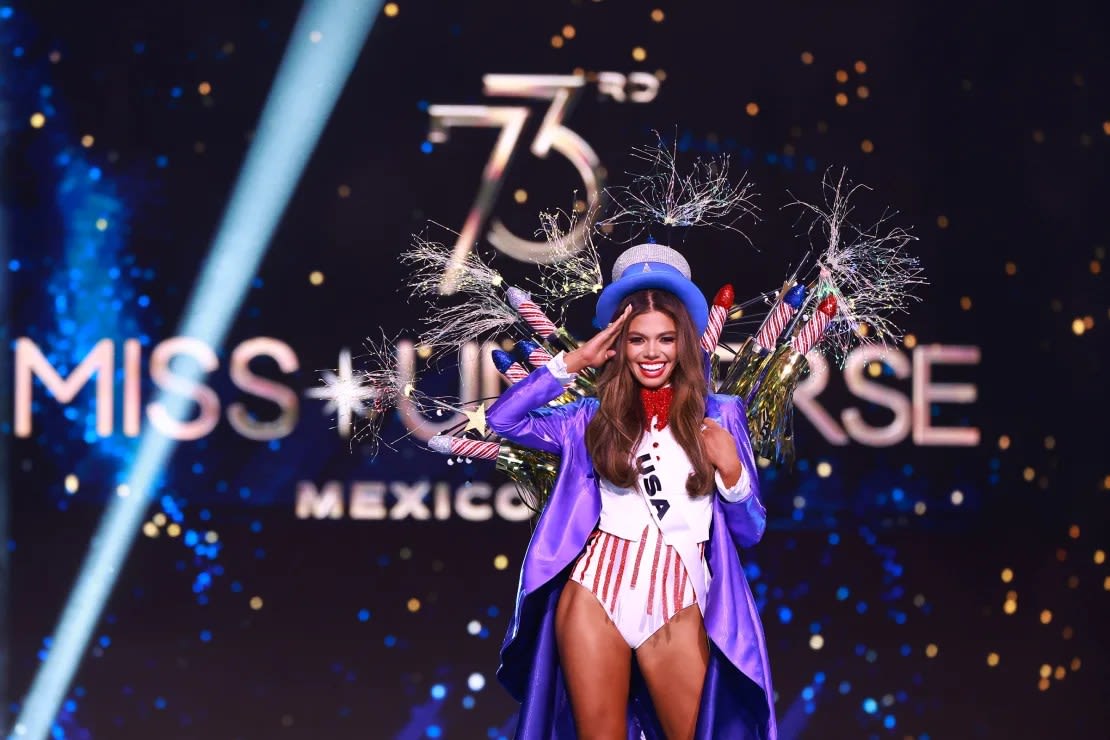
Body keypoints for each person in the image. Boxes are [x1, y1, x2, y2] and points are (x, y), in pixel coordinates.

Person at [487, 243, 776, 740]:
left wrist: (733, 473)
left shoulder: (720, 414)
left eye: (665, 338)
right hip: (595, 594)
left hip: (678, 600)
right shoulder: (588, 419)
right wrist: (572, 362)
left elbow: (750, 532)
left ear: (683, 341)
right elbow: (502, 419)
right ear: (617, 343)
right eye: (637, 339)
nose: (652, 353)